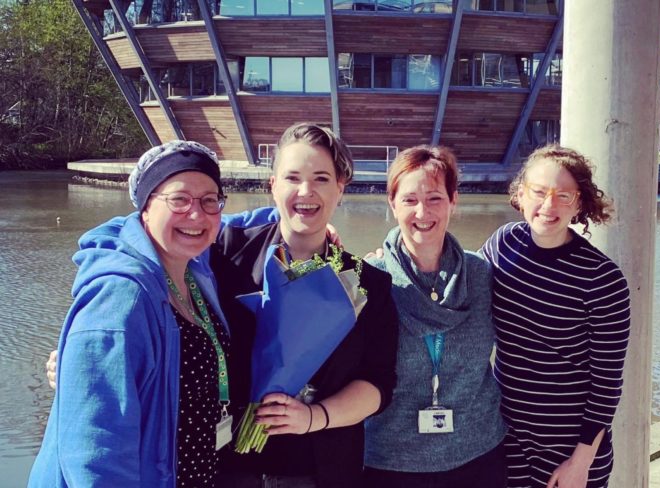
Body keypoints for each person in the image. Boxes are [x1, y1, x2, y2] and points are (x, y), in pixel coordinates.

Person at [29, 141, 253, 486]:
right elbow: (94, 449)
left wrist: (300, 224)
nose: (197, 214)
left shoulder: (192, 272)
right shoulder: (121, 297)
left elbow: (237, 222)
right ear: (145, 208)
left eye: (210, 200)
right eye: (179, 199)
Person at [211, 122, 399, 487]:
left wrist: (314, 417)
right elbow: (156, 252)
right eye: (292, 177)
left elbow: (379, 384)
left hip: (321, 469)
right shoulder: (226, 254)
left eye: (322, 179)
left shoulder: (365, 283)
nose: (306, 191)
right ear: (273, 185)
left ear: (340, 189)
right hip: (227, 465)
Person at [480, 145, 631, 488]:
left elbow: (607, 385)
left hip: (570, 446)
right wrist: (383, 262)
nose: (549, 206)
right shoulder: (503, 245)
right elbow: (456, 282)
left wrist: (581, 462)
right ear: (520, 194)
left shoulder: (602, 279)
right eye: (539, 192)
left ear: (579, 203)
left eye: (563, 195)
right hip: (508, 436)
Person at [361, 145, 507, 488]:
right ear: (392, 204)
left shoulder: (482, 274)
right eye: (409, 199)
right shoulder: (369, 280)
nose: (422, 211)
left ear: (454, 201)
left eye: (435, 198)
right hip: (390, 463)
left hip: (479, 456)